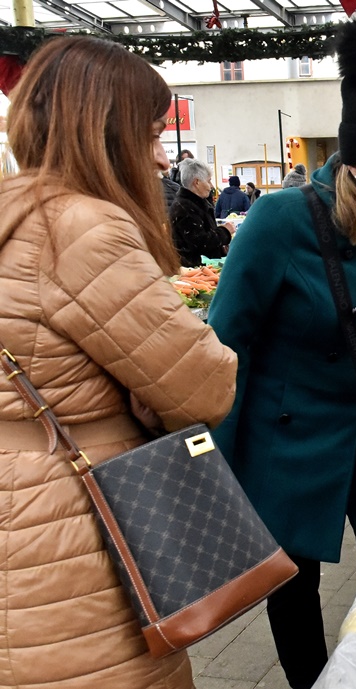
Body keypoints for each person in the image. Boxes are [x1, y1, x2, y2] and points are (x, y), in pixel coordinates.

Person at [0, 36, 237, 689]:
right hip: (76, 528)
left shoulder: (12, 210)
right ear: (105, 132)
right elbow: (204, 384)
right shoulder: (81, 228)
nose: (162, 156)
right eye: (152, 133)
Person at [206, 15, 356, 689]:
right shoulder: (280, 221)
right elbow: (225, 339)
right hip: (284, 431)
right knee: (292, 577)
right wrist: (216, 459)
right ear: (355, 165)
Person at [170, 157, 234, 267]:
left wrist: (221, 249)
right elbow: (200, 242)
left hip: (203, 266)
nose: (211, 186)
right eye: (209, 181)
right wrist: (225, 232)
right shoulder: (185, 208)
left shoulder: (196, 203)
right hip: (194, 269)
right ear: (197, 182)